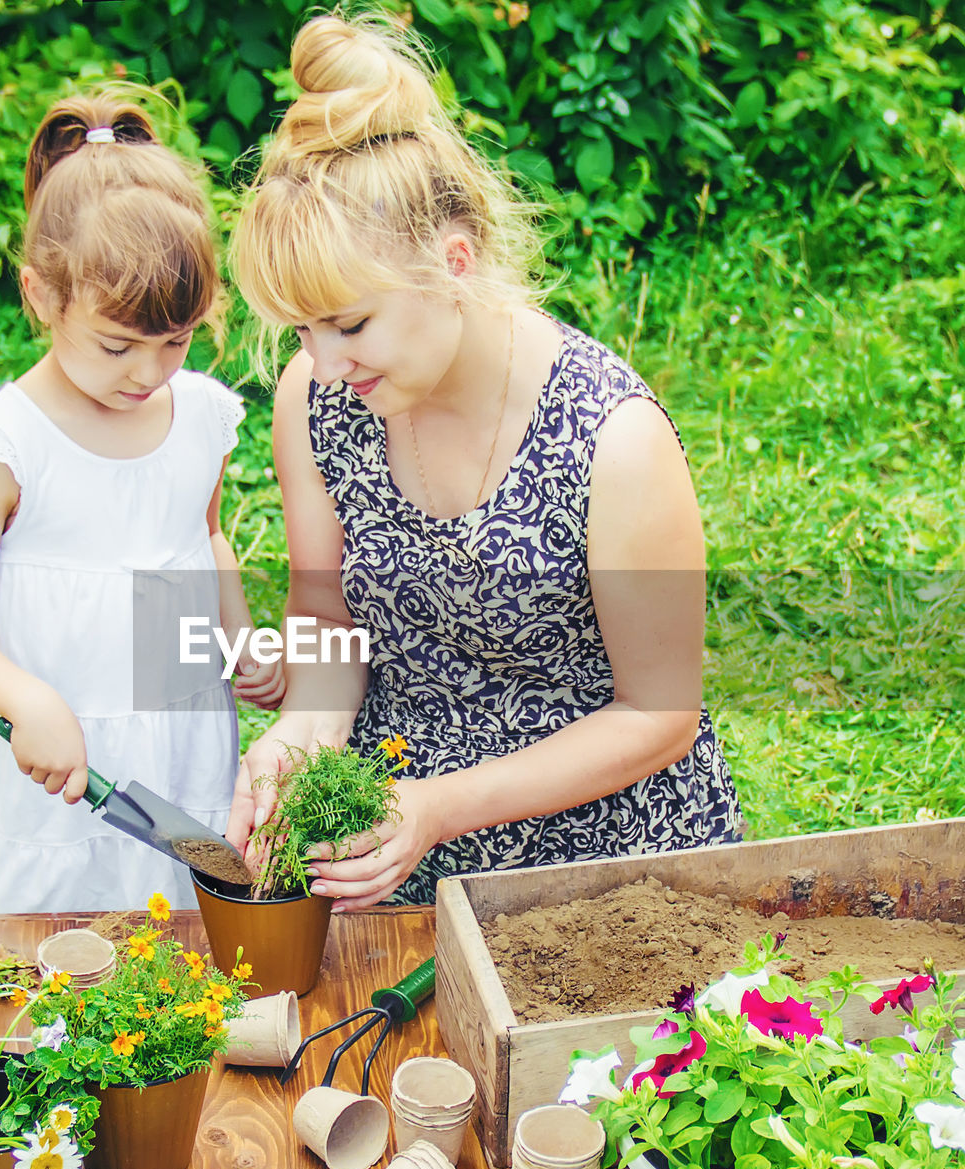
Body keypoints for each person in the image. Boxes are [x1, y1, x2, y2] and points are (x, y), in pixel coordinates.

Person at [225, 13, 743, 909]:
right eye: (302, 328)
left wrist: (441, 805)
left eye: (349, 324)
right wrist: (303, 734)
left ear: (453, 264)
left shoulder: (611, 439)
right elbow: (324, 609)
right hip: (392, 843)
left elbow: (659, 716)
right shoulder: (316, 397)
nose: (326, 360)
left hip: (605, 860)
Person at [0, 91, 283, 914]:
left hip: (181, 736)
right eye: (117, 345)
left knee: (181, 929)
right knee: (49, 946)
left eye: (176, 341)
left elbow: (209, 538)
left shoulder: (202, 417)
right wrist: (28, 701)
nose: (149, 374)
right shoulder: (7, 445)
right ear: (42, 295)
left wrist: (239, 634)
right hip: (67, 759)